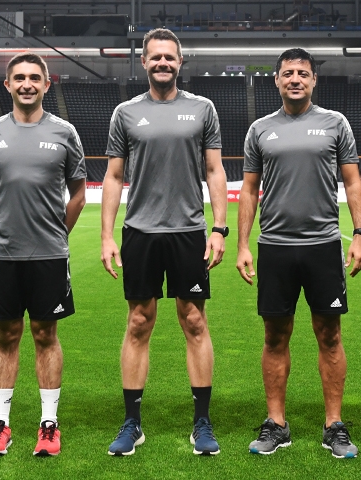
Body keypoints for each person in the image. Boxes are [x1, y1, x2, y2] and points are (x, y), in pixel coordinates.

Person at [101, 28, 227, 456]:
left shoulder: (202, 109)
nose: (162, 63)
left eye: (169, 58)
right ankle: (132, 422)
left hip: (188, 231)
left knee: (194, 322)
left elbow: (214, 171)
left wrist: (218, 228)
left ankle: (202, 422)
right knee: (139, 322)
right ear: (143, 62)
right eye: (155, 57)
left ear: (180, 62)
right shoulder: (125, 113)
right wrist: (107, 235)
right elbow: (114, 177)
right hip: (140, 232)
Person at [237, 48, 361, 458]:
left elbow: (352, 183)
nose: (295, 79)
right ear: (276, 80)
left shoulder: (336, 124)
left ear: (314, 81)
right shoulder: (260, 129)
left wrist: (360, 233)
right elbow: (249, 190)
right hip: (275, 247)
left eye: (303, 73)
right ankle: (276, 423)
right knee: (275, 336)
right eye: (288, 73)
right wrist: (242, 242)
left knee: (329, 335)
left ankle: (334, 424)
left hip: (323, 246)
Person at [0, 52, 86, 457]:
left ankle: (48, 424)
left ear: (46, 84)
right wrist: (2, 226)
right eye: (18, 77)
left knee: (45, 335)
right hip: (0, 255)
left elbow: (78, 194)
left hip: (48, 255)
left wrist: (56, 233)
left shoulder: (65, 132)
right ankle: (0, 425)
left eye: (33, 78)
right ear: (7, 85)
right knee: (6, 336)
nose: (26, 83)